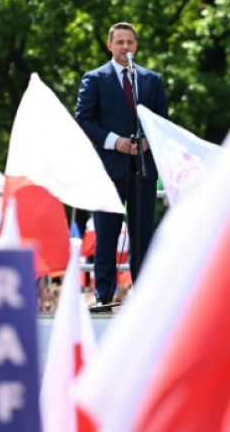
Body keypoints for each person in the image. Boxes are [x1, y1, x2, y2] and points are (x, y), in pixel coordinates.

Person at [75, 22, 169, 305]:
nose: (125, 47)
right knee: (106, 235)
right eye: (120, 42)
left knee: (142, 236)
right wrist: (115, 141)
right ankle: (103, 296)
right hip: (108, 170)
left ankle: (145, 297)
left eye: (129, 42)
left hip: (143, 168)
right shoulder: (94, 79)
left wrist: (148, 141)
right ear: (110, 45)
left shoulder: (151, 80)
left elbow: (162, 121)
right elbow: (83, 120)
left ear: (136, 45)